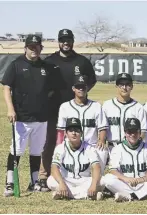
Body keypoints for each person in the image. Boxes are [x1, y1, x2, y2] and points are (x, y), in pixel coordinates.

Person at [39, 28, 97, 192]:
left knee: (78, 142)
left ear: (72, 41)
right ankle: (44, 176)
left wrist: (81, 93)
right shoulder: (49, 61)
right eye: (63, 40)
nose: (66, 43)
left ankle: (77, 173)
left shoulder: (82, 61)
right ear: (58, 42)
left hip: (77, 109)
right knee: (50, 142)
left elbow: (91, 80)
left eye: (68, 40)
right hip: (54, 108)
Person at [2, 34, 59, 195]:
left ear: (41, 48)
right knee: (16, 150)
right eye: (31, 47)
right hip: (22, 117)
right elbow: (6, 87)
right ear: (25, 48)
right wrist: (10, 109)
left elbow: (52, 89)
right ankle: (10, 183)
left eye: (37, 47)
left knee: (36, 151)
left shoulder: (45, 67)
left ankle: (34, 181)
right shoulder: (16, 65)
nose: (34, 50)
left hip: (41, 117)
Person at [102, 118, 147, 202]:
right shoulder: (117, 149)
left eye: (135, 132)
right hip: (125, 183)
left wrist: (142, 179)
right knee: (107, 179)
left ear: (140, 133)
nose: (132, 134)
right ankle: (144, 194)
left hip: (144, 183)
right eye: (129, 132)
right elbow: (113, 170)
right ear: (125, 133)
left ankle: (130, 196)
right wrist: (126, 179)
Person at [56, 74, 109, 173]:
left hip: (91, 145)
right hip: (71, 145)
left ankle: (98, 178)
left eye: (83, 87)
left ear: (87, 88)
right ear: (73, 89)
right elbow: (60, 130)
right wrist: (59, 144)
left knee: (102, 150)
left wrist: (101, 140)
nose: (81, 89)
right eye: (78, 87)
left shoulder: (96, 106)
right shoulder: (65, 106)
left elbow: (102, 127)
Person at [47, 118, 104, 200]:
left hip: (84, 181)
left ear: (81, 133)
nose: (74, 133)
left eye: (77, 130)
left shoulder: (89, 148)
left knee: (102, 181)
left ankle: (64, 194)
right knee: (50, 180)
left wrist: (93, 185)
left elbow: (96, 167)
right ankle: (87, 195)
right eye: (71, 130)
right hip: (66, 181)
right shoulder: (60, 148)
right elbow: (54, 167)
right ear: (66, 133)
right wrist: (62, 183)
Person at [102, 73, 147, 146]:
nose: (124, 87)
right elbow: (102, 128)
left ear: (132, 86)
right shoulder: (107, 105)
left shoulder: (138, 107)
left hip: (131, 146)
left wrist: (137, 144)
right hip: (112, 146)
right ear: (116, 86)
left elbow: (143, 130)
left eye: (127, 85)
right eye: (121, 85)